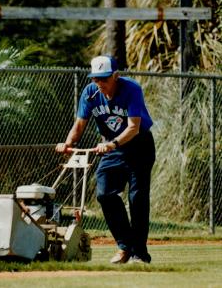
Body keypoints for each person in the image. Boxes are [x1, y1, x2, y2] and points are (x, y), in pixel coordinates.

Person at [56, 55, 156, 264]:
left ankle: (139, 253)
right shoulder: (90, 93)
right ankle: (125, 246)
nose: (99, 83)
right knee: (104, 194)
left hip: (139, 146)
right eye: (95, 79)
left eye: (104, 79)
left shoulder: (131, 89)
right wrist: (67, 143)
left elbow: (133, 127)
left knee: (137, 200)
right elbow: (79, 125)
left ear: (115, 76)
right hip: (112, 148)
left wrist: (112, 144)